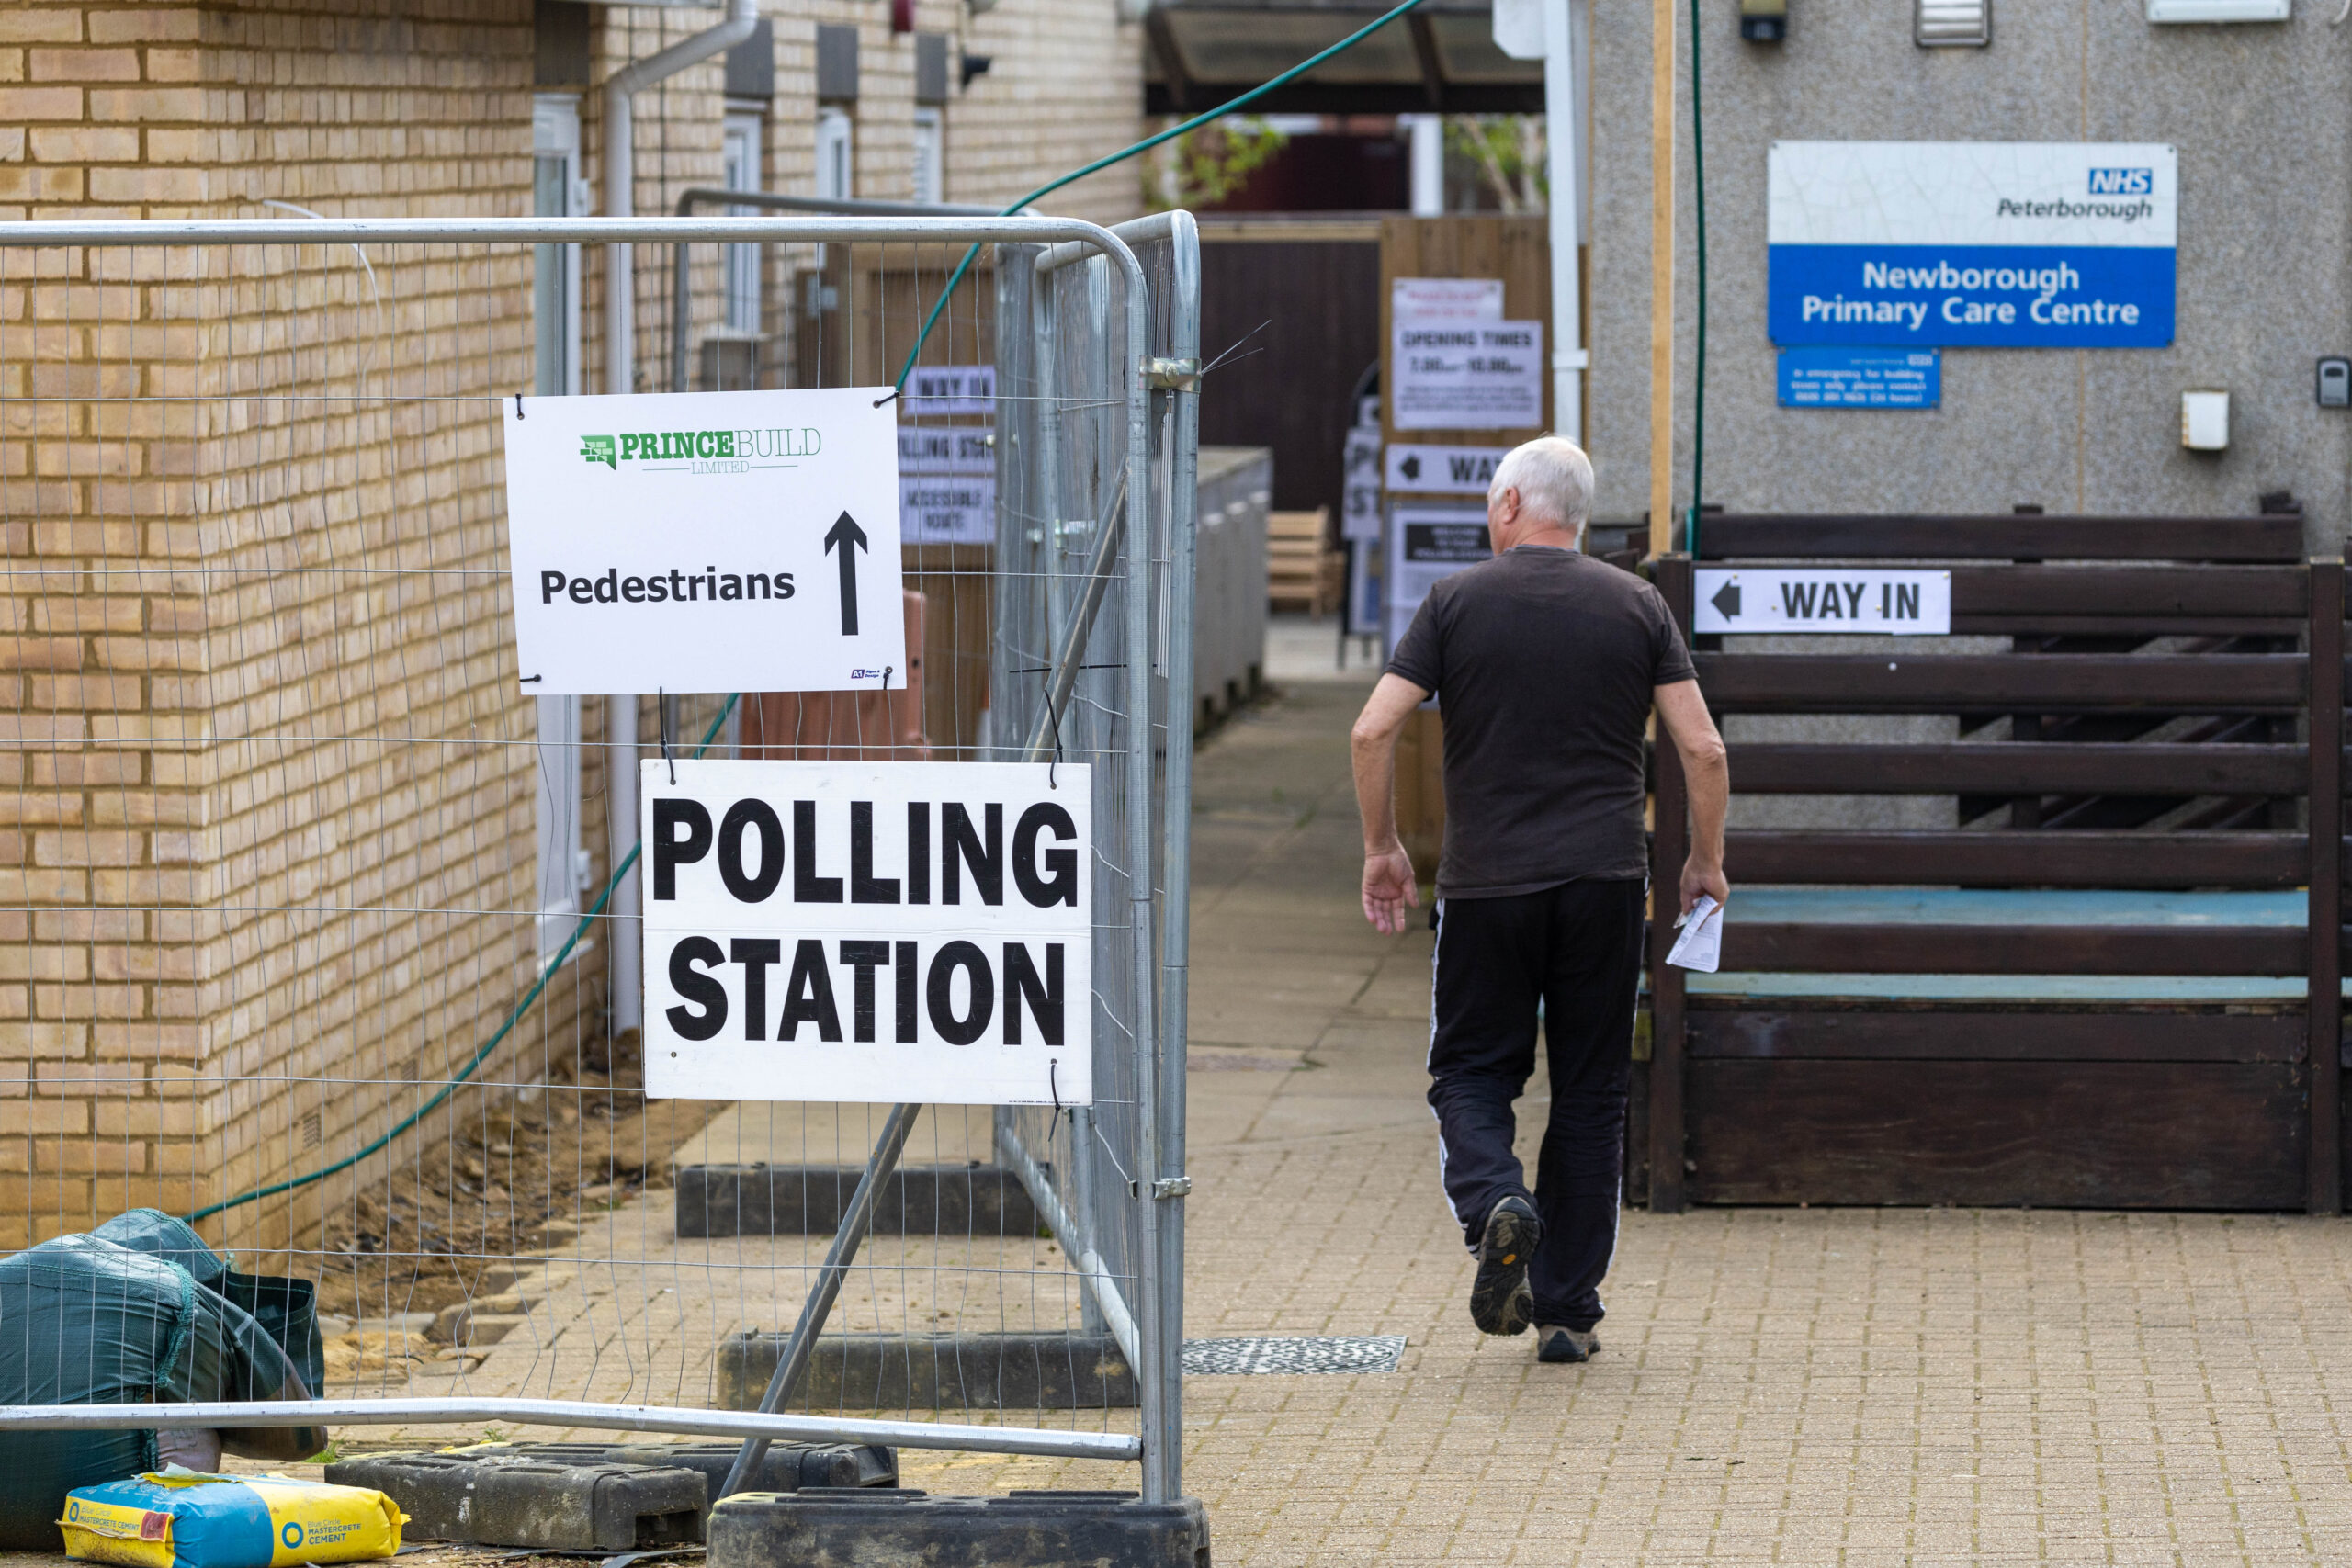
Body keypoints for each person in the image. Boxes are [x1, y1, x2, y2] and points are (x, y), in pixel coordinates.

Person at [1349, 435, 1729, 1363]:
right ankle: (1565, 1310)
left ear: (1512, 505)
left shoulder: (1455, 603)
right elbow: (1704, 751)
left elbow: (1371, 730)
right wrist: (1702, 862)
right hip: (1604, 882)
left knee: (1471, 1073)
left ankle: (1495, 1204)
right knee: (1592, 1091)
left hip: (1487, 889)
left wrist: (1383, 846)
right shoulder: (1636, 604)